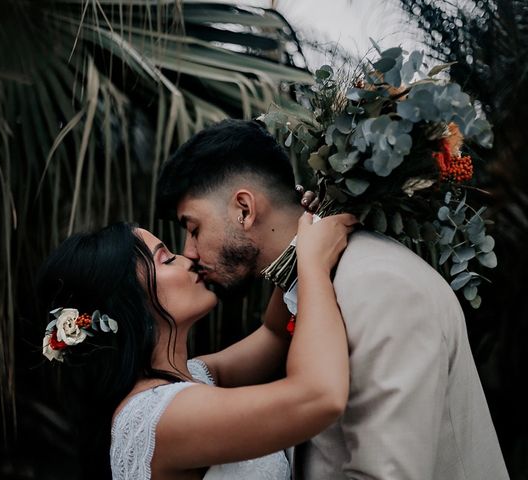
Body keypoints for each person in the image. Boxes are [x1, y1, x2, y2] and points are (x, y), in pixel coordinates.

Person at [155, 118, 510, 480]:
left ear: (244, 210)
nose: (190, 252)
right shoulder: (316, 283)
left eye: (193, 229)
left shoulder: (381, 287)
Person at [35, 213, 355, 479]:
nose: (188, 257)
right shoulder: (162, 417)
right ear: (127, 303)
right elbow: (319, 396)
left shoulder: (191, 377)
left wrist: (298, 230)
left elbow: (274, 333)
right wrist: (314, 264)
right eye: (167, 259)